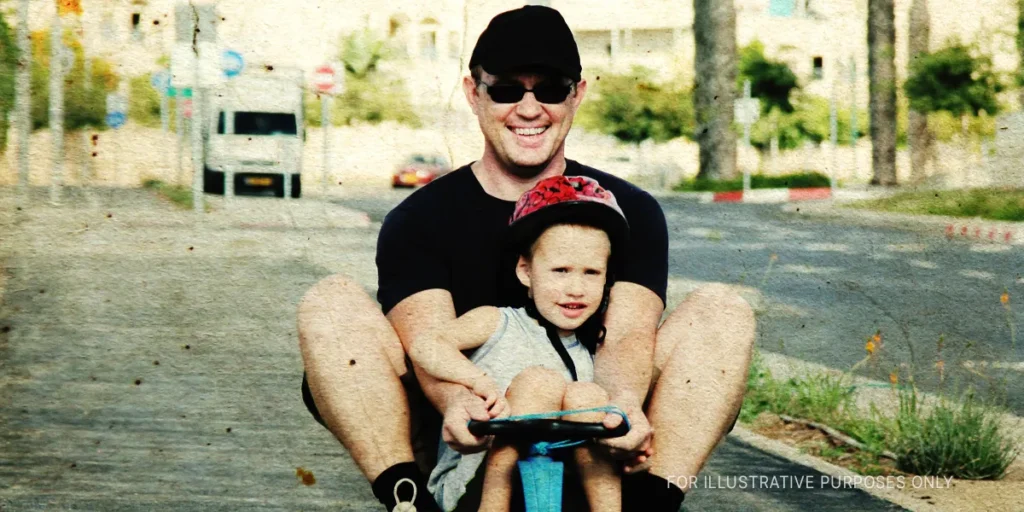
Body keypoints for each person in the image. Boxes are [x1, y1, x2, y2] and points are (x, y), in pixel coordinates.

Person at [297, 5, 755, 512]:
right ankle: (410, 500)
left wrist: (620, 406)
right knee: (331, 302)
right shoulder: (419, 217)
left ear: (577, 94)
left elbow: (628, 335)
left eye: (552, 88)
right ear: (474, 94)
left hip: (595, 443)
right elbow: (426, 339)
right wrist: (460, 405)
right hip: (467, 447)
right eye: (507, 89)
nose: (530, 108)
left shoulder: (630, 211)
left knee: (721, 310)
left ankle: (649, 504)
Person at [410, 175, 630, 511]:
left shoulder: (587, 351)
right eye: (560, 270)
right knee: (539, 382)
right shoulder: (498, 321)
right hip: (477, 486)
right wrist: (477, 382)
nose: (576, 288)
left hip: (555, 486)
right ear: (526, 272)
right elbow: (425, 345)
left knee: (589, 397)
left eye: (591, 273)